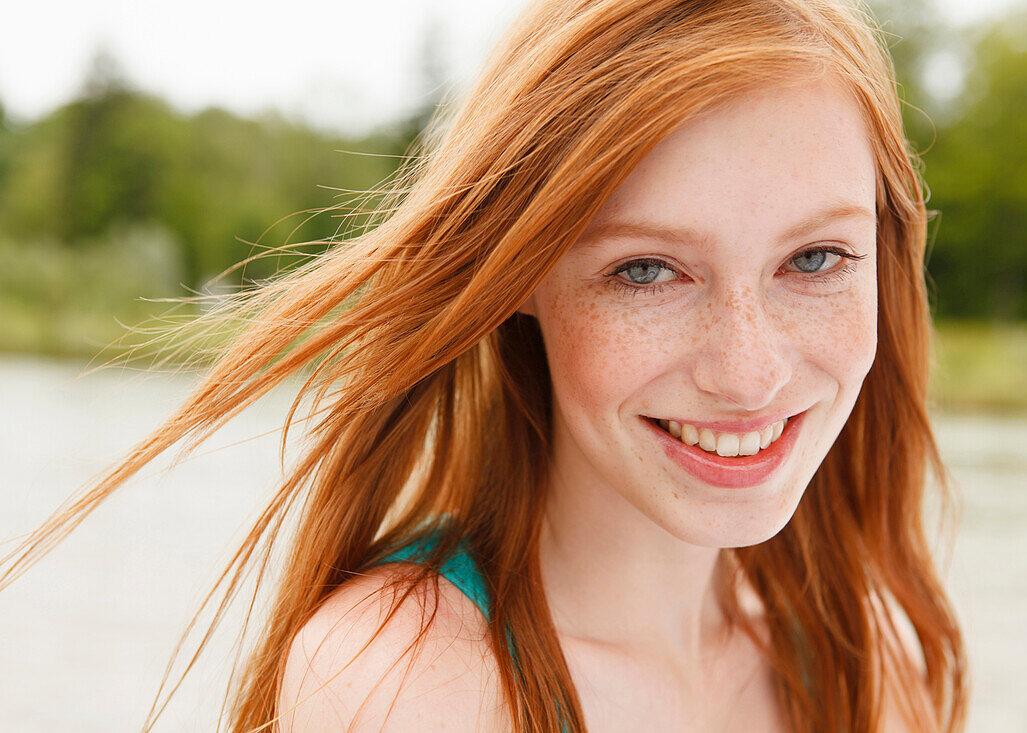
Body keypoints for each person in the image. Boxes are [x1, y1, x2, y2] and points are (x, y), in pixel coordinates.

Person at [2, 0, 969, 730]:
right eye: (645, 269)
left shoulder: (871, 665)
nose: (749, 371)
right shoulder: (404, 678)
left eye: (814, 258)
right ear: (520, 274)